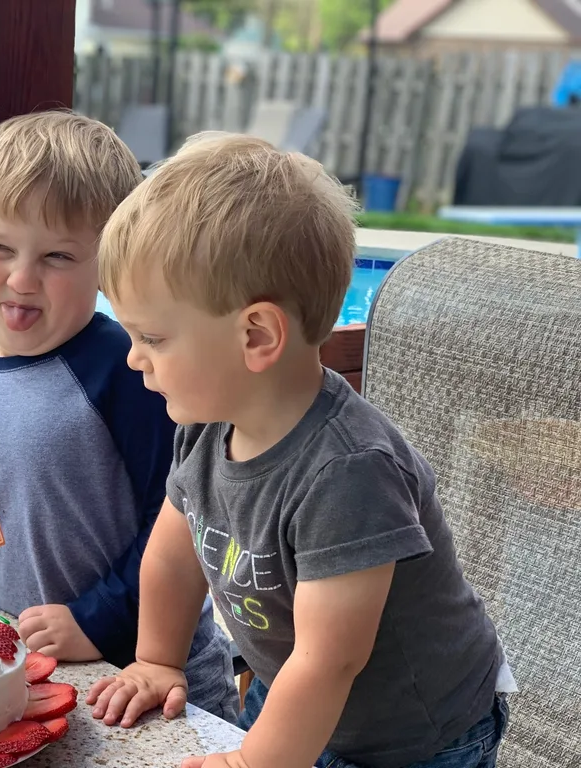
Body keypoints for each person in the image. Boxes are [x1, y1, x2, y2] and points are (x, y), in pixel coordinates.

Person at [87, 132, 513, 768]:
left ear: (256, 334)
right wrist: (156, 660)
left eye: (151, 335)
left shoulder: (347, 473)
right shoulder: (208, 425)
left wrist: (253, 762)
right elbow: (174, 557)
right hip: (290, 693)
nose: (133, 357)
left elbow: (330, 657)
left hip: (413, 734)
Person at [0, 111, 240, 722]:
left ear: (109, 262)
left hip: (150, 678)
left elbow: (184, 516)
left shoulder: (131, 370)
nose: (22, 278)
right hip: (27, 670)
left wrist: (95, 619)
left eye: (59, 256)